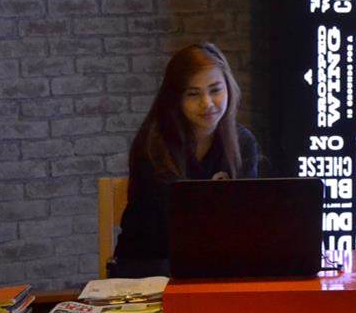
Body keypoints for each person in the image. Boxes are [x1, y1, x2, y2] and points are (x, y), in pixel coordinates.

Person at [111, 43, 260, 277]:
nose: (207, 103)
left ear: (229, 89)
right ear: (175, 98)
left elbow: (246, 218)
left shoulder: (243, 142)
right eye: (193, 94)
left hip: (216, 264)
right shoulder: (153, 145)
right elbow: (161, 229)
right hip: (149, 267)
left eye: (215, 90)